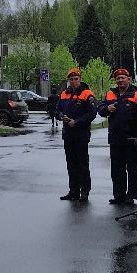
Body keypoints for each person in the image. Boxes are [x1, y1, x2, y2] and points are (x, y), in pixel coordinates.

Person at [97, 67, 137, 205]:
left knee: (132, 169)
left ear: (128, 79)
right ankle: (119, 194)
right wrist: (107, 109)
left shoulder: (136, 95)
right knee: (117, 169)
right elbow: (100, 109)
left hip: (131, 138)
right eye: (118, 78)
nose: (120, 81)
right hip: (115, 137)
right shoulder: (110, 94)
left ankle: (131, 195)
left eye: (123, 78)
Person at [56, 67, 97, 202]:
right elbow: (57, 111)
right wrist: (61, 116)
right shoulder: (64, 94)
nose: (73, 82)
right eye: (71, 79)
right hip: (68, 134)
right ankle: (73, 190)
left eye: (76, 79)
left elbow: (92, 113)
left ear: (80, 79)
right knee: (71, 164)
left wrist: (77, 122)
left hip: (81, 133)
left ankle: (85, 191)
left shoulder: (87, 94)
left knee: (82, 164)